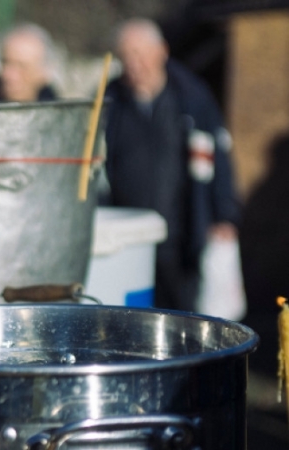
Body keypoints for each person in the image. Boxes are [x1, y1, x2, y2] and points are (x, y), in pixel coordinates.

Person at [102, 18, 239, 312]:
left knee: (182, 313)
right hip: (130, 236)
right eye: (126, 56)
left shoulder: (191, 97)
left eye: (140, 54)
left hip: (182, 234)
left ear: (162, 51)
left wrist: (224, 212)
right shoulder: (111, 101)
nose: (134, 64)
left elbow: (218, 153)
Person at [0, 23, 58, 103]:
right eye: (5, 63)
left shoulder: (62, 114)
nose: (8, 75)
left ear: (44, 73)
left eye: (22, 66)